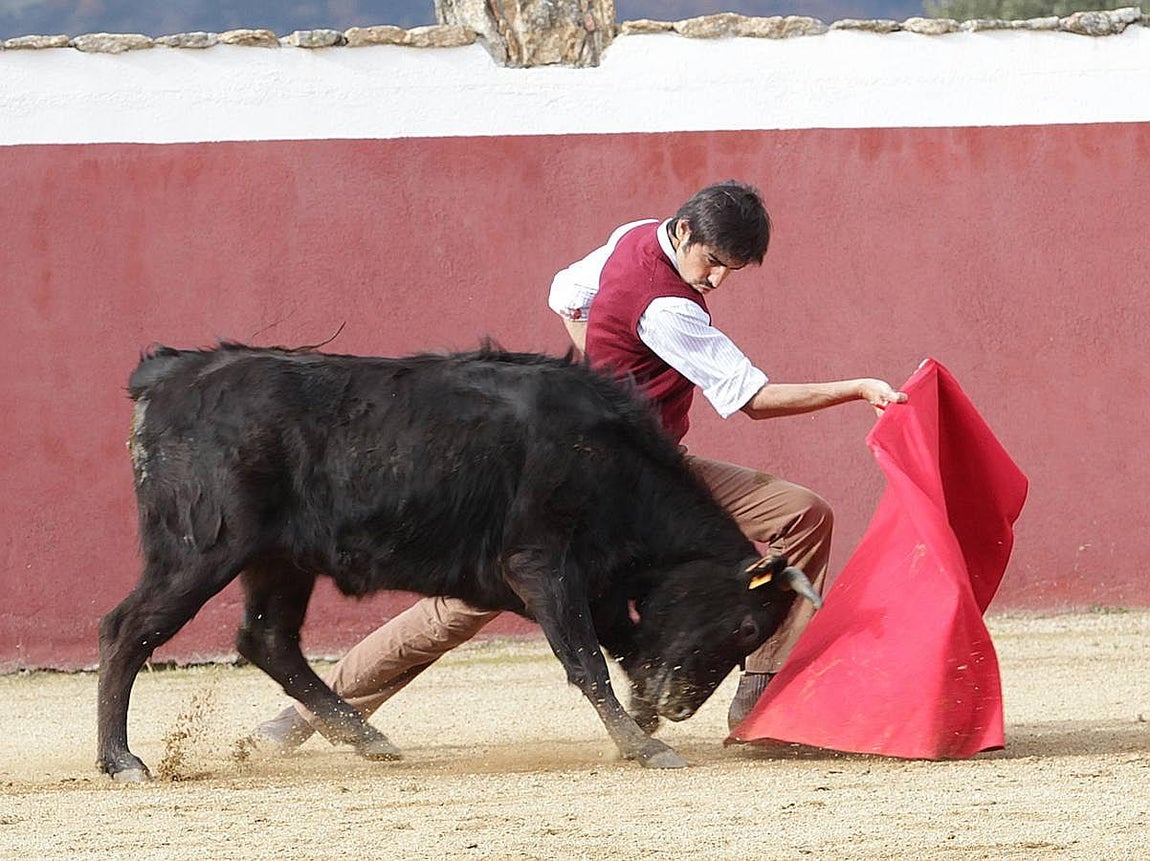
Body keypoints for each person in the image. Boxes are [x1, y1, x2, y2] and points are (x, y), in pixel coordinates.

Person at [254, 180, 907, 750]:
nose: (716, 281)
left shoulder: (634, 237)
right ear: (685, 231)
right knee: (468, 602)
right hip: (616, 488)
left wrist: (599, 381)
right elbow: (752, 399)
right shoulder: (669, 310)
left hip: (636, 469)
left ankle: (763, 682)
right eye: (713, 263)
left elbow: (566, 295)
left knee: (800, 513)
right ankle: (308, 711)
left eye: (730, 271)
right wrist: (857, 389)